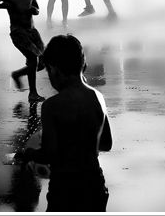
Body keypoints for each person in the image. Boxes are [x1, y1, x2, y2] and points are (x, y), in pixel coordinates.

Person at [23, 34, 113, 212]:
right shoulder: (98, 98)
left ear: (54, 69)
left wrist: (30, 153)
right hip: (95, 184)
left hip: (65, 188)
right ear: (83, 66)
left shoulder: (52, 106)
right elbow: (106, 143)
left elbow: (49, 154)